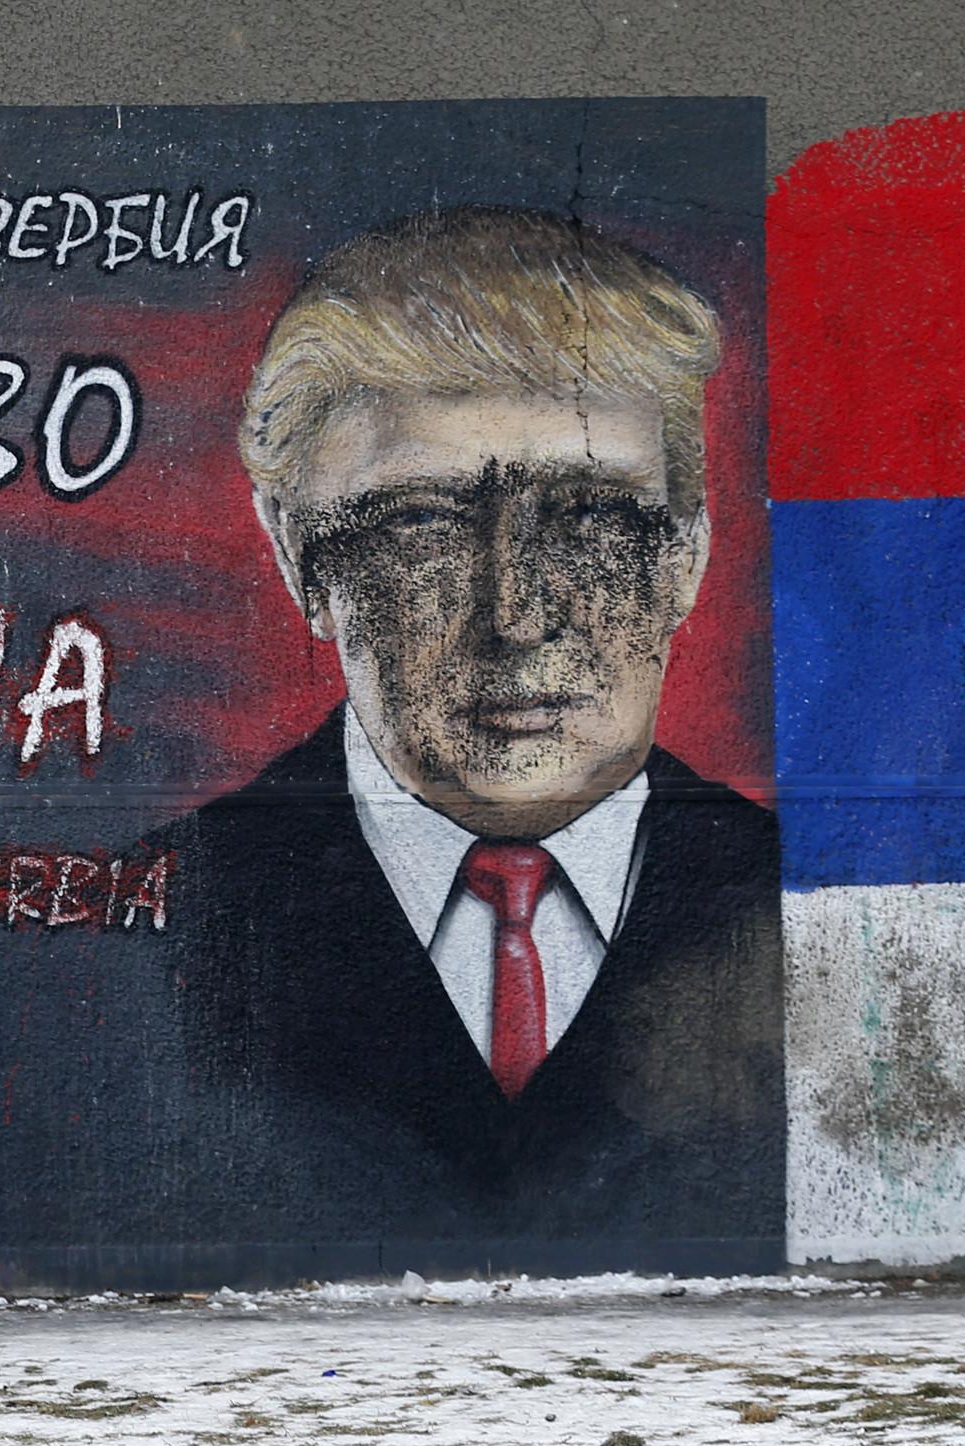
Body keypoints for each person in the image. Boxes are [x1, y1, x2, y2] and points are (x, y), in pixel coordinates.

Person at [159, 205, 783, 1269]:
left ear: (686, 554)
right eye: (421, 525)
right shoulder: (158, 922)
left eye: (593, 515)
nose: (518, 611)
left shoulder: (813, 908)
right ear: (299, 556)